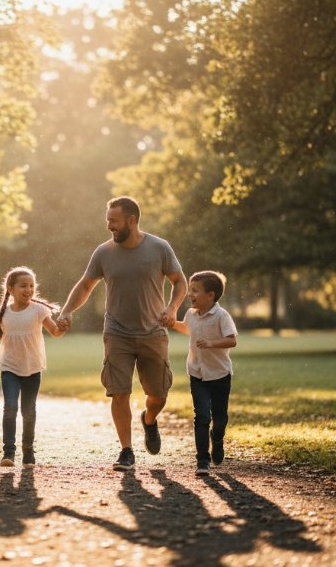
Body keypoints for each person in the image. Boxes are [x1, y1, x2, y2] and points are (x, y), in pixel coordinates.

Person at [56, 197, 187, 471]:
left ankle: (149, 420)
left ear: (131, 220)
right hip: (117, 332)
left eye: (113, 221)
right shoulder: (103, 252)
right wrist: (67, 310)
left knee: (159, 395)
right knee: (119, 392)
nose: (109, 227)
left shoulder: (159, 248)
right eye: (108, 221)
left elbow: (180, 282)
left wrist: (172, 308)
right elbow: (85, 285)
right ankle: (126, 450)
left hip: (153, 331)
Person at [0, 266, 65, 469]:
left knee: (28, 411)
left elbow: (55, 332)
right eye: (23, 286)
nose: (28, 290)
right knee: (10, 407)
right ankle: (8, 453)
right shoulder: (2, 311)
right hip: (9, 367)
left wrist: (63, 326)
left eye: (32, 286)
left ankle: (28, 451)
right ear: (10, 288)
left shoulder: (38, 310)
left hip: (33, 367)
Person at [169, 270, 238, 476]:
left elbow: (232, 340)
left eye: (195, 291)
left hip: (219, 375)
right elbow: (186, 328)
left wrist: (211, 343)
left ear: (211, 295)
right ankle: (202, 460)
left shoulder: (221, 315)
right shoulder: (191, 314)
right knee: (201, 416)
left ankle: (217, 440)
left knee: (219, 418)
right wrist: (172, 323)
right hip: (197, 373)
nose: (191, 294)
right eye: (190, 290)